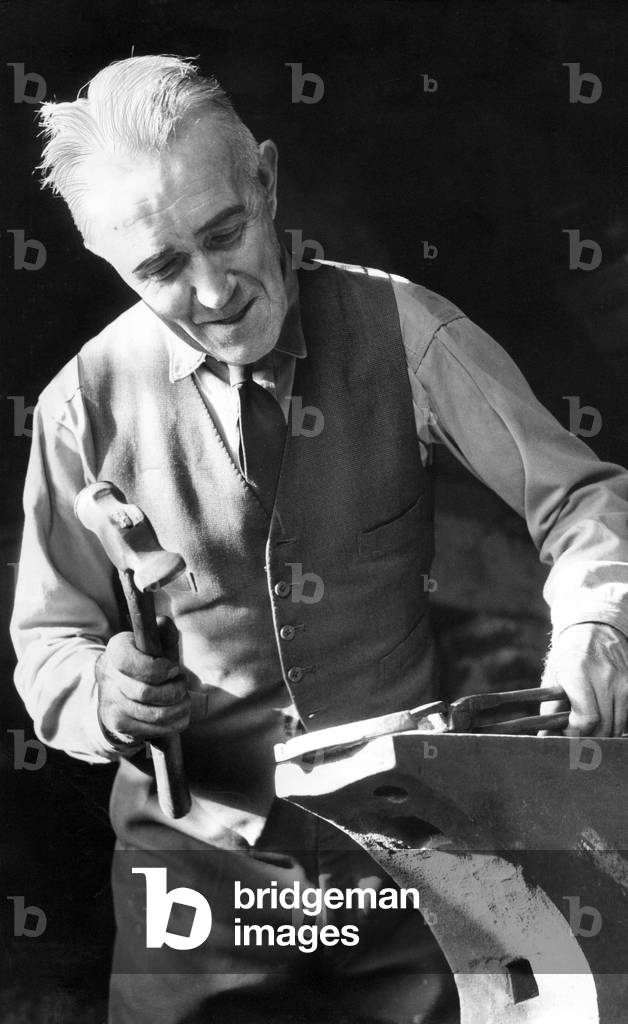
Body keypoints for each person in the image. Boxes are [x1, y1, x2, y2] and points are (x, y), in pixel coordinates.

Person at [10, 54, 628, 1024]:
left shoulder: (408, 329)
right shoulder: (78, 409)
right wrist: (104, 692)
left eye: (225, 234)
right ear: (106, 261)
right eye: (163, 268)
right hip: (195, 885)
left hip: (410, 861)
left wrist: (598, 619)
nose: (214, 292)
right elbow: (47, 643)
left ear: (265, 177)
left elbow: (584, 499)